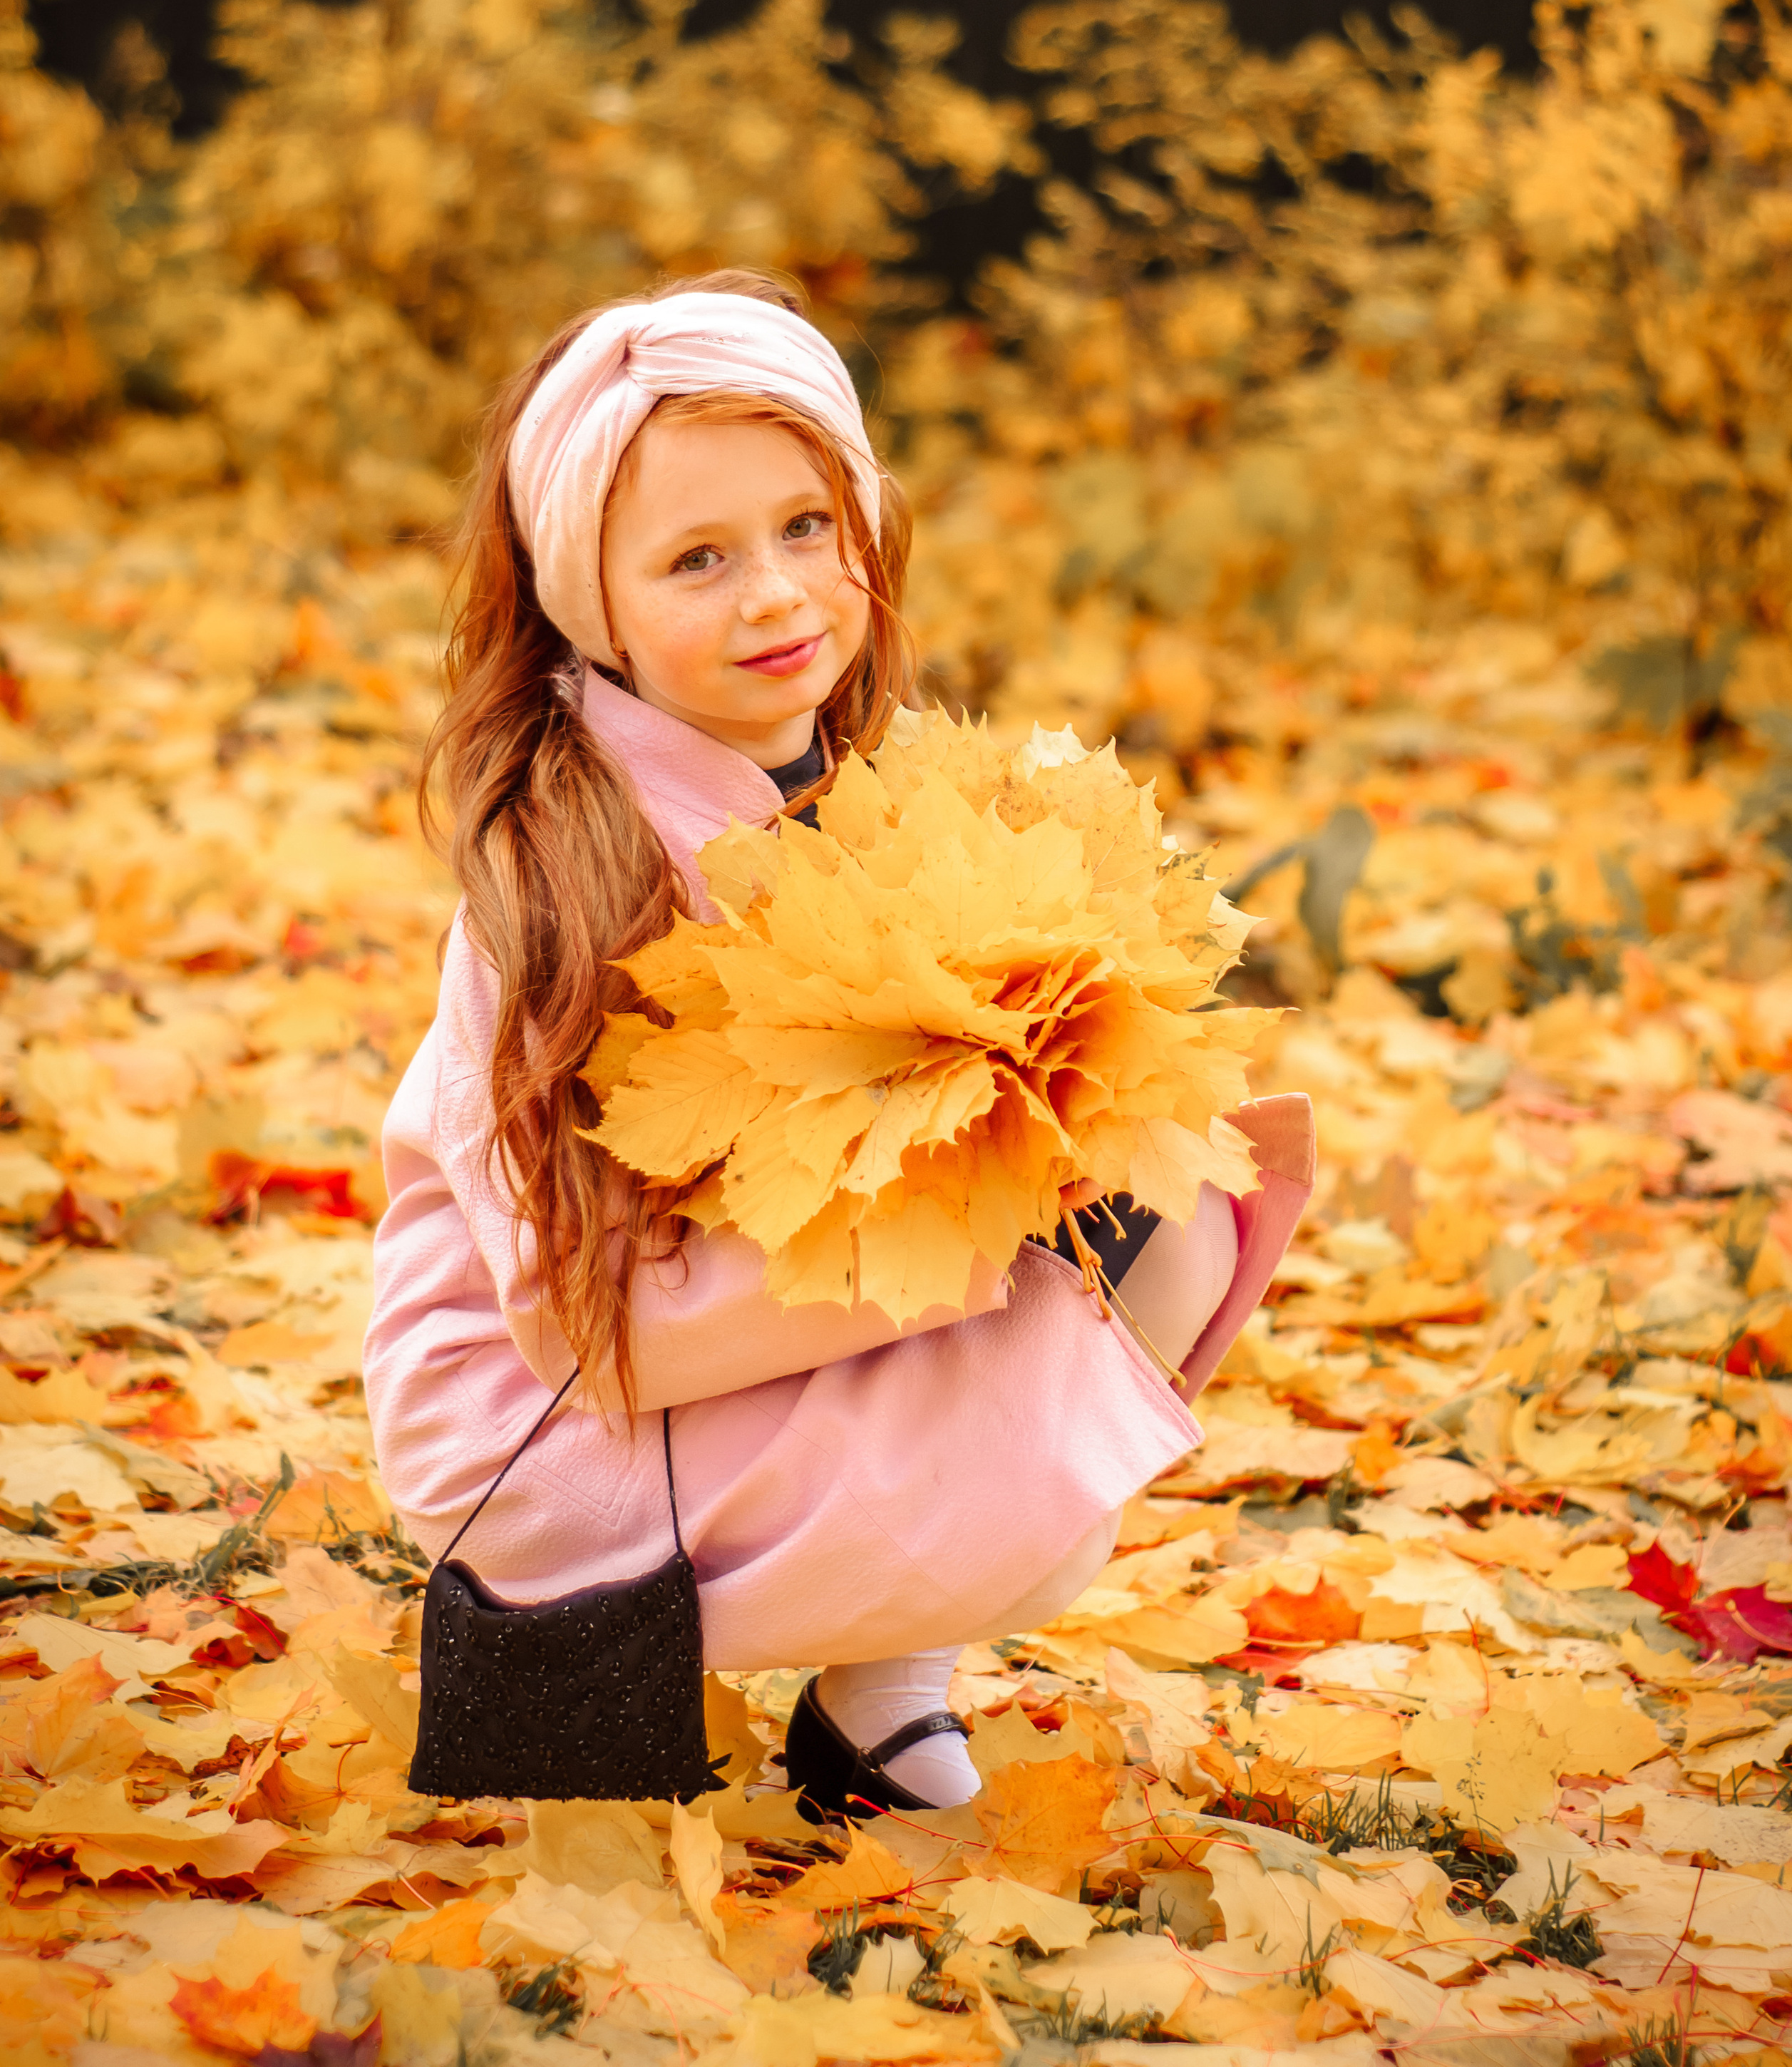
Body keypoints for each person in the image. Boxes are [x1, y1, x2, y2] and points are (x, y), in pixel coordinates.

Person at [363, 272, 1314, 1817]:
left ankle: (875, 1699)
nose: (777, 597)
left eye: (810, 527)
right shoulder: (568, 876)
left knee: (1170, 1189)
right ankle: (664, 1664)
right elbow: (576, 1329)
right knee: (1059, 1409)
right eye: (696, 558)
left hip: (738, 1321)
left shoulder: (835, 784)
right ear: (581, 602)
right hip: (550, 1418)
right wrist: (963, 1240)